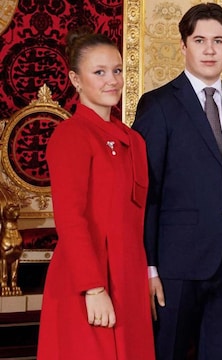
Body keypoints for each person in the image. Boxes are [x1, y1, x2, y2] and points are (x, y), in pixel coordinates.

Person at [131, 3, 222, 359]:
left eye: (218, 40)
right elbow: (146, 192)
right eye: (199, 40)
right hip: (175, 266)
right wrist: (149, 267)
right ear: (184, 45)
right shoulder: (157, 105)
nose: (209, 49)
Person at [37, 27, 155, 359]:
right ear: (76, 79)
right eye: (99, 72)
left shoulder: (133, 140)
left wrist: (144, 277)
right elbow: (70, 220)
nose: (112, 80)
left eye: (117, 70)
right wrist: (93, 288)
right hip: (88, 280)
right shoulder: (71, 135)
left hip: (128, 276)